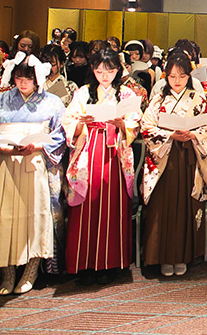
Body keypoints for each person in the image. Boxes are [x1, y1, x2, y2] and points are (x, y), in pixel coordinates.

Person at [0, 53, 66, 295]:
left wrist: (38, 145)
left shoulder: (52, 102)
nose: (23, 83)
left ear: (37, 79)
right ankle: (7, 272)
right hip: (7, 162)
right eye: (18, 77)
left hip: (36, 162)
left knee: (36, 214)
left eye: (28, 78)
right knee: (6, 215)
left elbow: (60, 134)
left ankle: (31, 269)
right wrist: (5, 148)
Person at [62, 49, 142, 284]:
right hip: (88, 150)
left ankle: (112, 263)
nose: (104, 76)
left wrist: (123, 124)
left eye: (109, 71)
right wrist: (80, 124)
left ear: (118, 70)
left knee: (113, 205)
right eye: (99, 71)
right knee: (87, 205)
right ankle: (83, 264)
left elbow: (135, 121)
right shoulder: (83, 93)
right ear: (93, 70)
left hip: (114, 152)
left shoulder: (126, 93)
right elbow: (69, 121)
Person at [140, 51, 207, 277]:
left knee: (186, 206)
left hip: (189, 157)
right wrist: (170, 135)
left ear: (189, 76)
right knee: (163, 207)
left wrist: (193, 135)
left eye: (182, 76)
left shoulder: (197, 98)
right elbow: (146, 127)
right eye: (172, 76)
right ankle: (163, 257)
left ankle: (183, 256)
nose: (177, 81)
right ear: (166, 76)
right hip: (165, 160)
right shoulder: (158, 99)